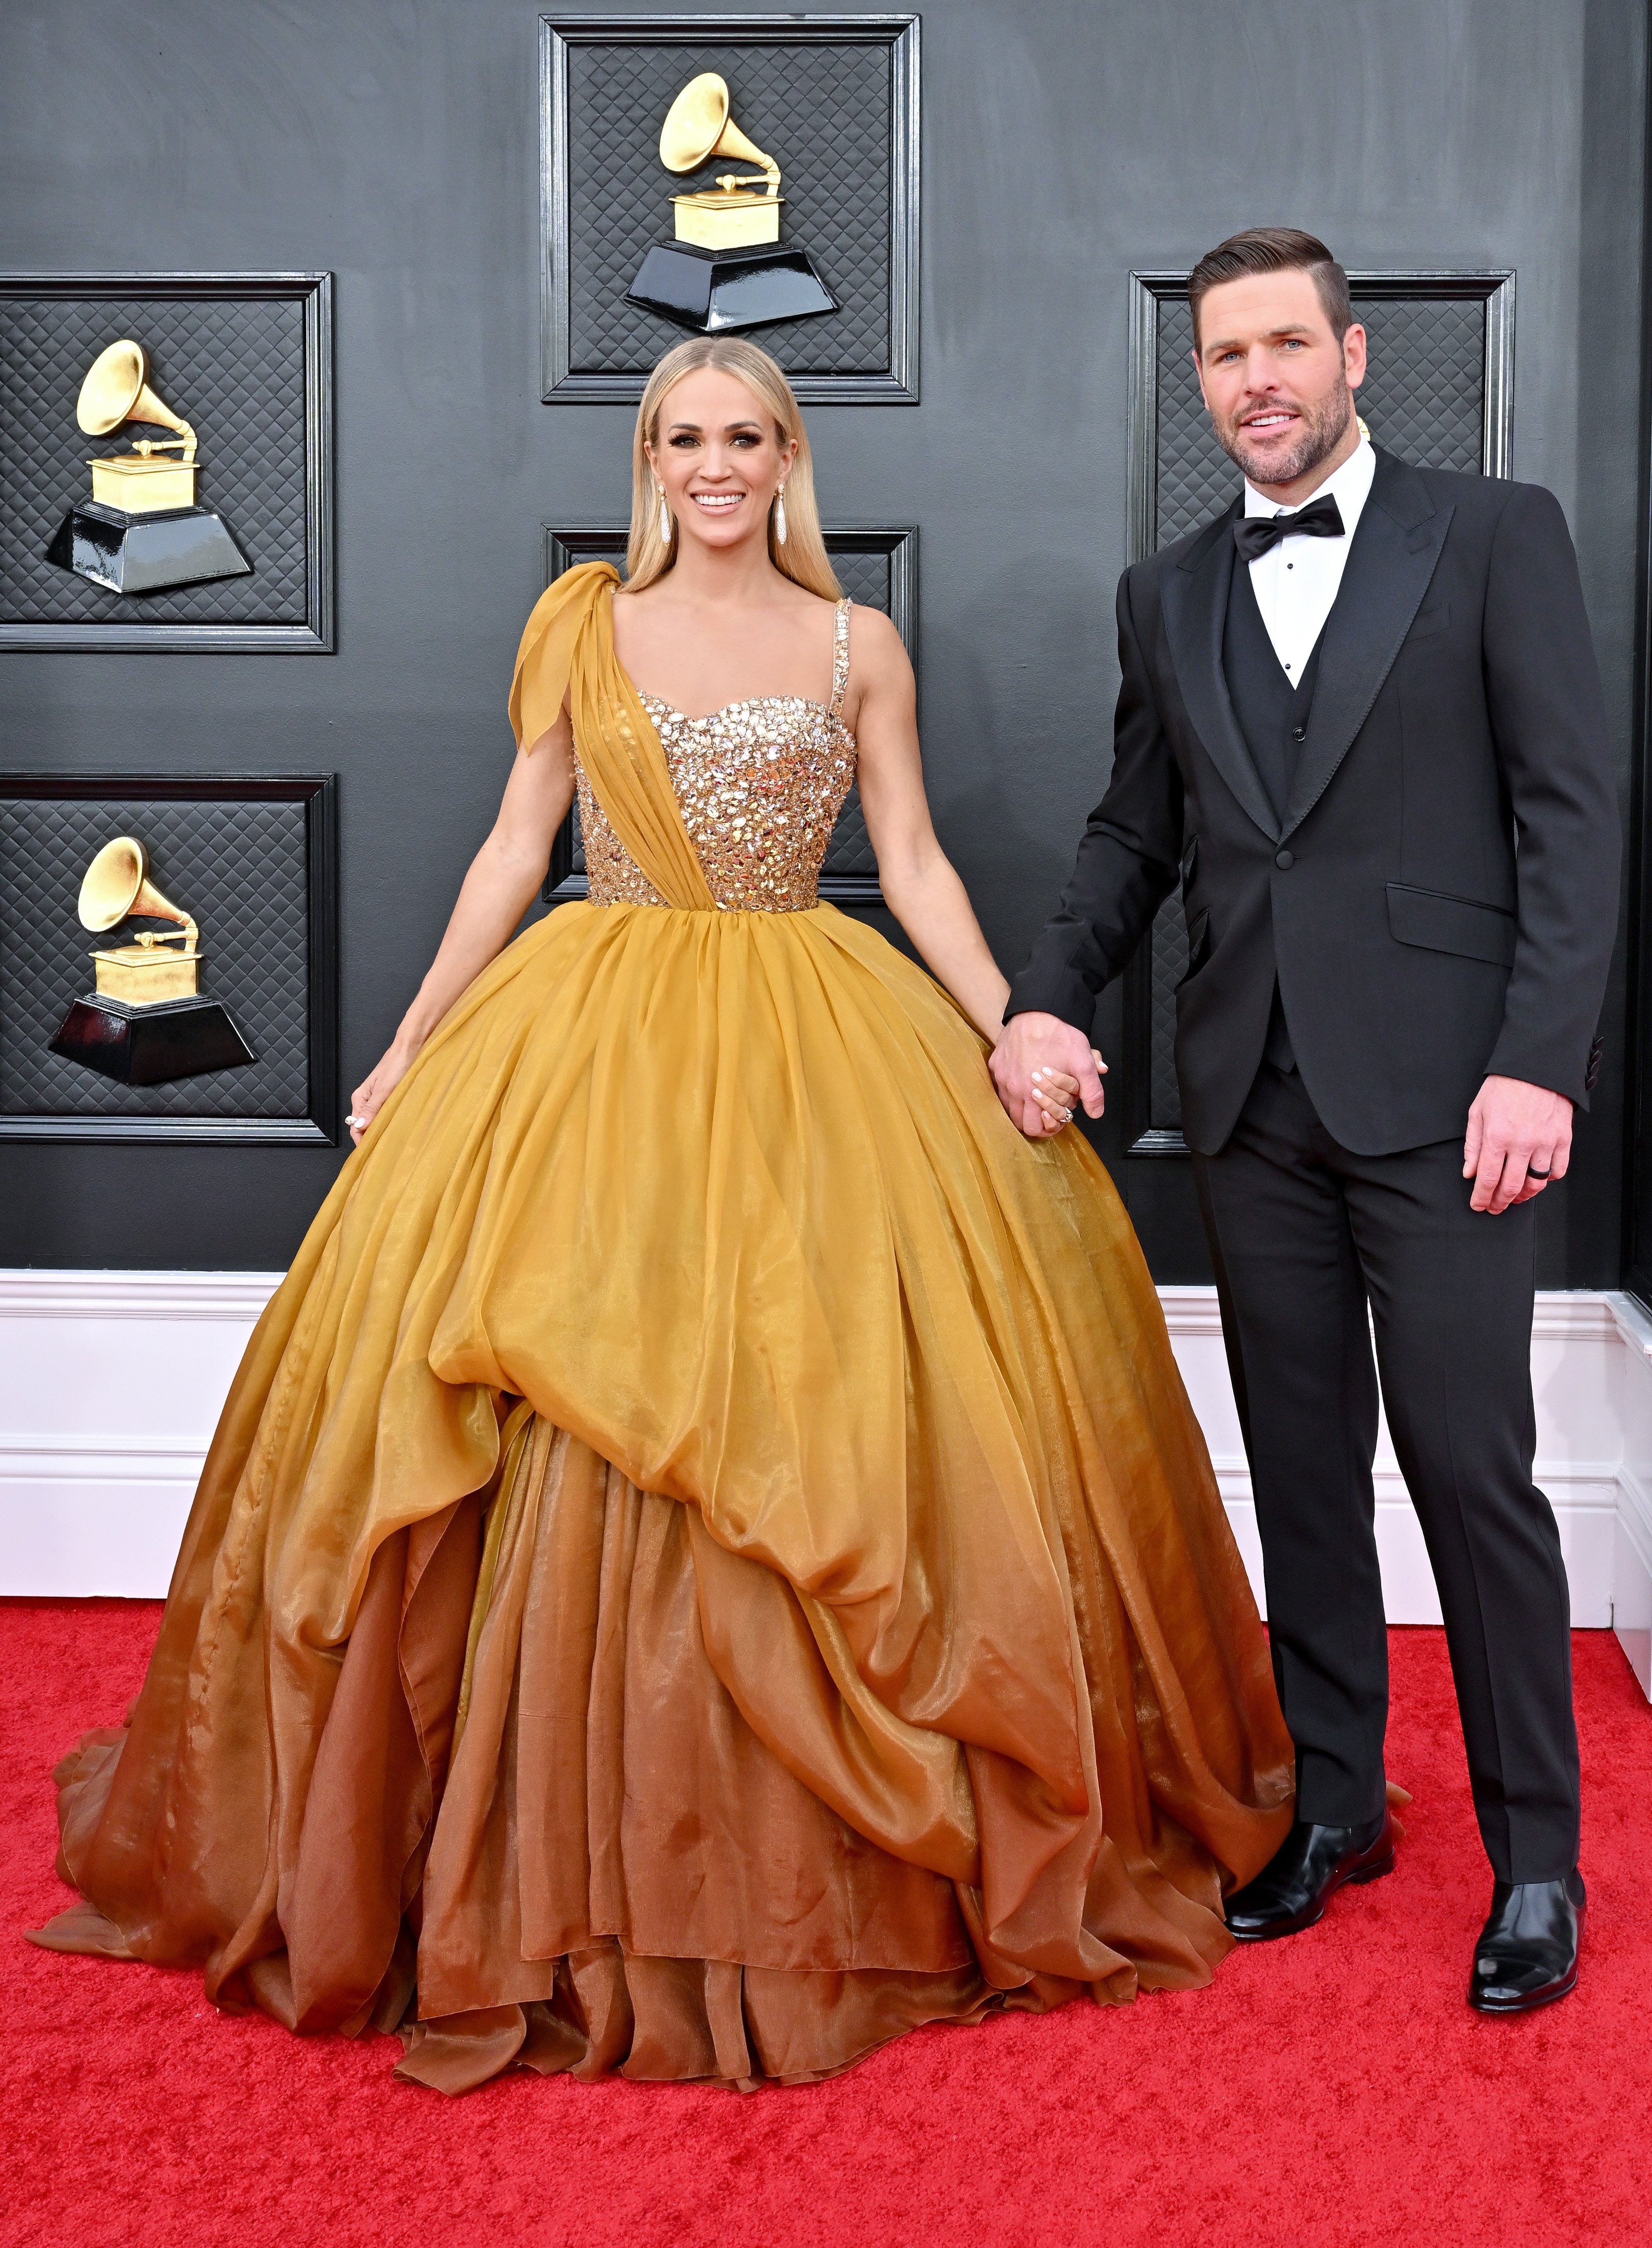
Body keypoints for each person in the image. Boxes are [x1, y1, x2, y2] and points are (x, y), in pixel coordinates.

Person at [33, 333, 1293, 2093]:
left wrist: (1009, 1018)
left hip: (809, 1024)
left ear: (787, 459)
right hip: (590, 1028)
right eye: (684, 437)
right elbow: (510, 845)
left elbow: (913, 856)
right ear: (651, 459)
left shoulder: (859, 644)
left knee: (819, 1396)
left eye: (745, 437)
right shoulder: (578, 626)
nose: (714, 465)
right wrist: (411, 1040)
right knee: (550, 1378)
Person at [992, 229, 1621, 2014]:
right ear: (1197, 382)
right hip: (1247, 1094)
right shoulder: (1166, 589)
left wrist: (1539, 1061)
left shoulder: (1494, 536)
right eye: (1220, 355)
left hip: (1450, 1098)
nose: (1253, 379)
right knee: (1300, 1473)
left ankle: (1538, 1862)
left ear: (1352, 355)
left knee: (1469, 1474)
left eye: (1283, 343)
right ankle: (1337, 1802)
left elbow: (1568, 817)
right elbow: (1137, 834)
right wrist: (1048, 993)